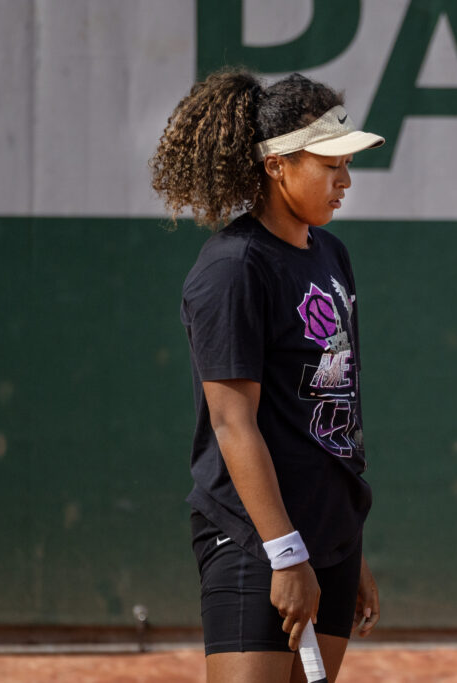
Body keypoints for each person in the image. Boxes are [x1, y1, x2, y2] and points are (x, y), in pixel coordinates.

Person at [149, 69, 385, 683]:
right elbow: (233, 425)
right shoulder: (232, 269)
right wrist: (286, 552)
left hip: (330, 534)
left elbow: (334, 405)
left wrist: (344, 541)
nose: (345, 181)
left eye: (347, 165)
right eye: (330, 165)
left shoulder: (331, 254)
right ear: (277, 166)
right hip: (258, 541)